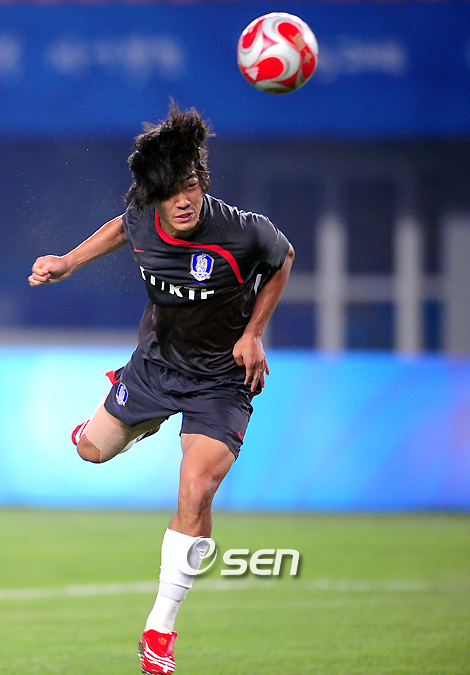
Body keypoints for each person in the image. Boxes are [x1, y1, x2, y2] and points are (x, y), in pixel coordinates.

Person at [29, 103, 294, 675]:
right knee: (91, 450)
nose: (183, 199)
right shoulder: (143, 218)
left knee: (197, 491)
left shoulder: (241, 231)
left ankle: (160, 630)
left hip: (220, 381)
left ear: (202, 181)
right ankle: (127, 414)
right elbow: (120, 228)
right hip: (155, 367)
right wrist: (69, 262)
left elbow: (283, 258)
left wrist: (254, 332)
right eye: (171, 191)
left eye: (191, 184)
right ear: (154, 196)